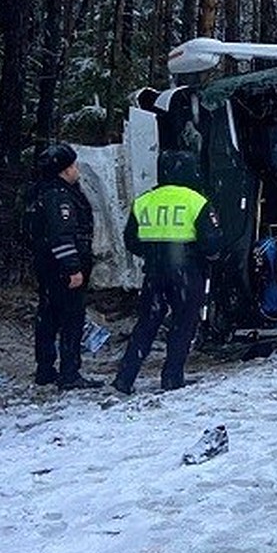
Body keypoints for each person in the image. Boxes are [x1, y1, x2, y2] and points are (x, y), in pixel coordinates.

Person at [113, 151, 223, 394]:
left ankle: (125, 378)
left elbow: (131, 240)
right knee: (183, 324)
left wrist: (153, 255)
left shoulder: (144, 201)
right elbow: (212, 243)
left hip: (154, 272)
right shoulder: (197, 201)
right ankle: (172, 376)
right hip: (187, 272)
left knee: (146, 324)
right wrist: (207, 258)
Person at [27, 142, 103, 390]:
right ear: (64, 169)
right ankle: (69, 373)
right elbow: (62, 234)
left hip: (46, 265)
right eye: (72, 165)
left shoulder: (39, 192)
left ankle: (45, 370)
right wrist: (72, 268)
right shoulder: (59, 197)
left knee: (47, 317)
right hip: (62, 266)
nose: (76, 169)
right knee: (71, 318)